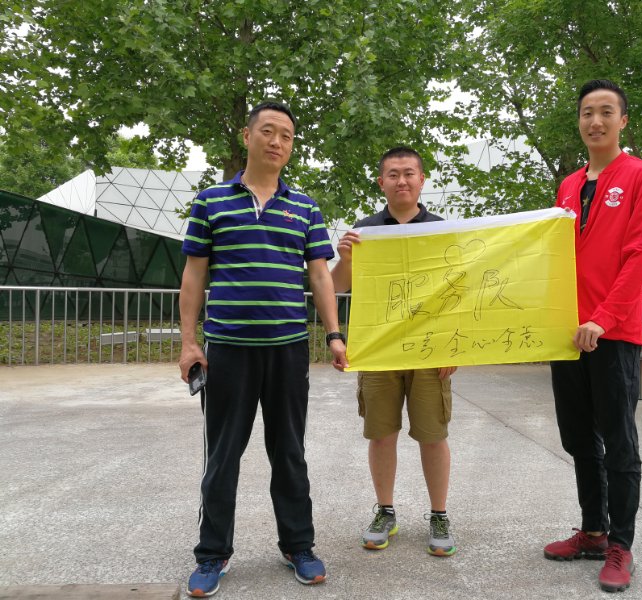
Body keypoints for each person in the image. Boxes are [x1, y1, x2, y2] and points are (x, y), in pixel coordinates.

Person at [179, 101, 347, 598]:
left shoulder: (306, 208)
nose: (277, 142)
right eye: (268, 131)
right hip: (228, 350)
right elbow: (194, 275)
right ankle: (212, 553)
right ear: (247, 135)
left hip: (287, 351)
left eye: (287, 136)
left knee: (290, 453)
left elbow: (320, 276)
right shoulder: (211, 201)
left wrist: (334, 334)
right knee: (222, 456)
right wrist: (189, 343)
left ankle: (299, 546)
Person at [544, 80, 642, 593]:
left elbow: (641, 253)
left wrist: (605, 317)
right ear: (579, 121)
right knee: (577, 437)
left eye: (606, 112)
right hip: (567, 332)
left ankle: (621, 544)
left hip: (612, 331)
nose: (595, 121)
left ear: (623, 121)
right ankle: (593, 531)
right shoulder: (569, 185)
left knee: (618, 440)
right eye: (587, 113)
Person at [331, 146, 458, 557]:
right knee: (381, 434)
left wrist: (452, 346)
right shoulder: (365, 231)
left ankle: (439, 514)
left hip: (429, 351)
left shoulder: (441, 230)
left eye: (408, 173)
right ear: (381, 182)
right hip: (379, 350)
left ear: (422, 180)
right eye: (393, 174)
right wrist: (345, 258)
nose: (401, 181)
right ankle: (385, 511)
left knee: (433, 436)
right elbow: (336, 286)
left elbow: (457, 292)